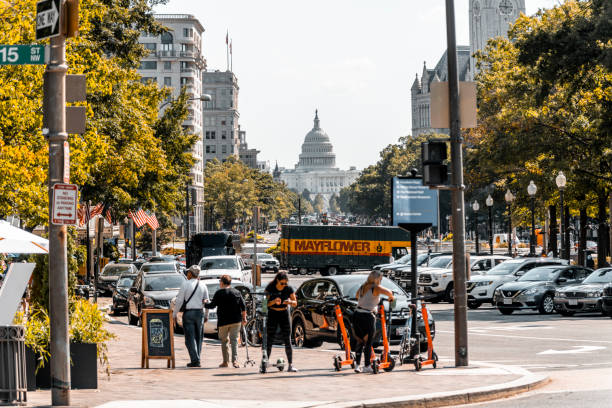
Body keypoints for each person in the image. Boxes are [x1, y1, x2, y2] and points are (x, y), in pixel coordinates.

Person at [352, 270, 394, 373]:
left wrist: (369, 300)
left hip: (357, 314)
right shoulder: (376, 288)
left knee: (360, 341)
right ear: (377, 278)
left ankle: (357, 365)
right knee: (368, 342)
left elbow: (357, 296)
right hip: (367, 316)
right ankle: (366, 366)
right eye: (380, 278)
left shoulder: (363, 287)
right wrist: (391, 298)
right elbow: (389, 292)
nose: (381, 280)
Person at [205, 274, 247, 368]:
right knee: (234, 341)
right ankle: (235, 361)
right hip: (236, 321)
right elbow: (243, 306)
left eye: (220, 281)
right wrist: (244, 318)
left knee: (224, 341)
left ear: (222, 283)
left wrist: (204, 303)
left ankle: (225, 362)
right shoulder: (237, 292)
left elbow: (212, 305)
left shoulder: (219, 293)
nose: (219, 283)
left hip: (223, 321)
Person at [173, 265, 209, 367]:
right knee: (199, 337)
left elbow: (179, 301)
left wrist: (174, 314)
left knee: (190, 338)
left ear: (190, 274)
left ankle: (195, 360)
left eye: (188, 272)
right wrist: (206, 315)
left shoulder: (185, 284)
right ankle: (197, 358)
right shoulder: (203, 285)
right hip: (200, 313)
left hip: (189, 313)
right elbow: (207, 301)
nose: (187, 274)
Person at [264, 271, 298, 372]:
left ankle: (290, 365)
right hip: (273, 313)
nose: (284, 285)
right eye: (282, 283)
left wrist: (289, 302)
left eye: (285, 283)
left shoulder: (288, 288)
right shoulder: (270, 287)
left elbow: (295, 303)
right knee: (269, 339)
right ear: (277, 280)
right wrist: (273, 302)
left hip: (284, 313)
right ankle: (265, 364)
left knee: (287, 338)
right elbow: (264, 305)